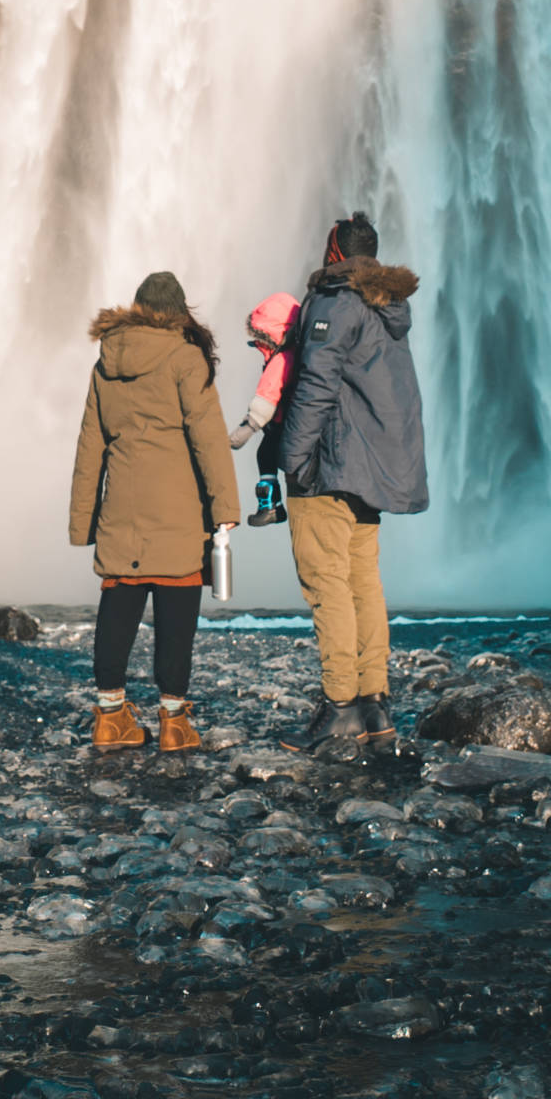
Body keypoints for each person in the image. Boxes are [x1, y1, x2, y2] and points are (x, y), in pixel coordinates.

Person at [68, 270, 241, 752]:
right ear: (179, 313)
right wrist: (225, 508)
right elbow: (209, 439)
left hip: (121, 507)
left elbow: (90, 447)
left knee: (119, 602)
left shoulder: (106, 362)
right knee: (176, 611)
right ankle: (173, 721)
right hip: (178, 511)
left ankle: (109, 715)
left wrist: (84, 523)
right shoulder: (185, 359)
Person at [277, 212, 427, 752]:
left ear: (336, 252)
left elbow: (317, 384)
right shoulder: (387, 307)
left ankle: (338, 707)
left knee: (327, 583)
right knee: (364, 583)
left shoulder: (334, 301)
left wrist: (292, 458)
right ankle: (375, 707)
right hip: (372, 473)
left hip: (329, 467)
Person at [229, 291, 300, 527]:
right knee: (267, 455)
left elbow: (267, 395)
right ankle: (273, 507)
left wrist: (247, 428)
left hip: (282, 424)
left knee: (265, 455)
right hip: (287, 422)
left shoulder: (281, 359)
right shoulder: (297, 351)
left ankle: (270, 506)